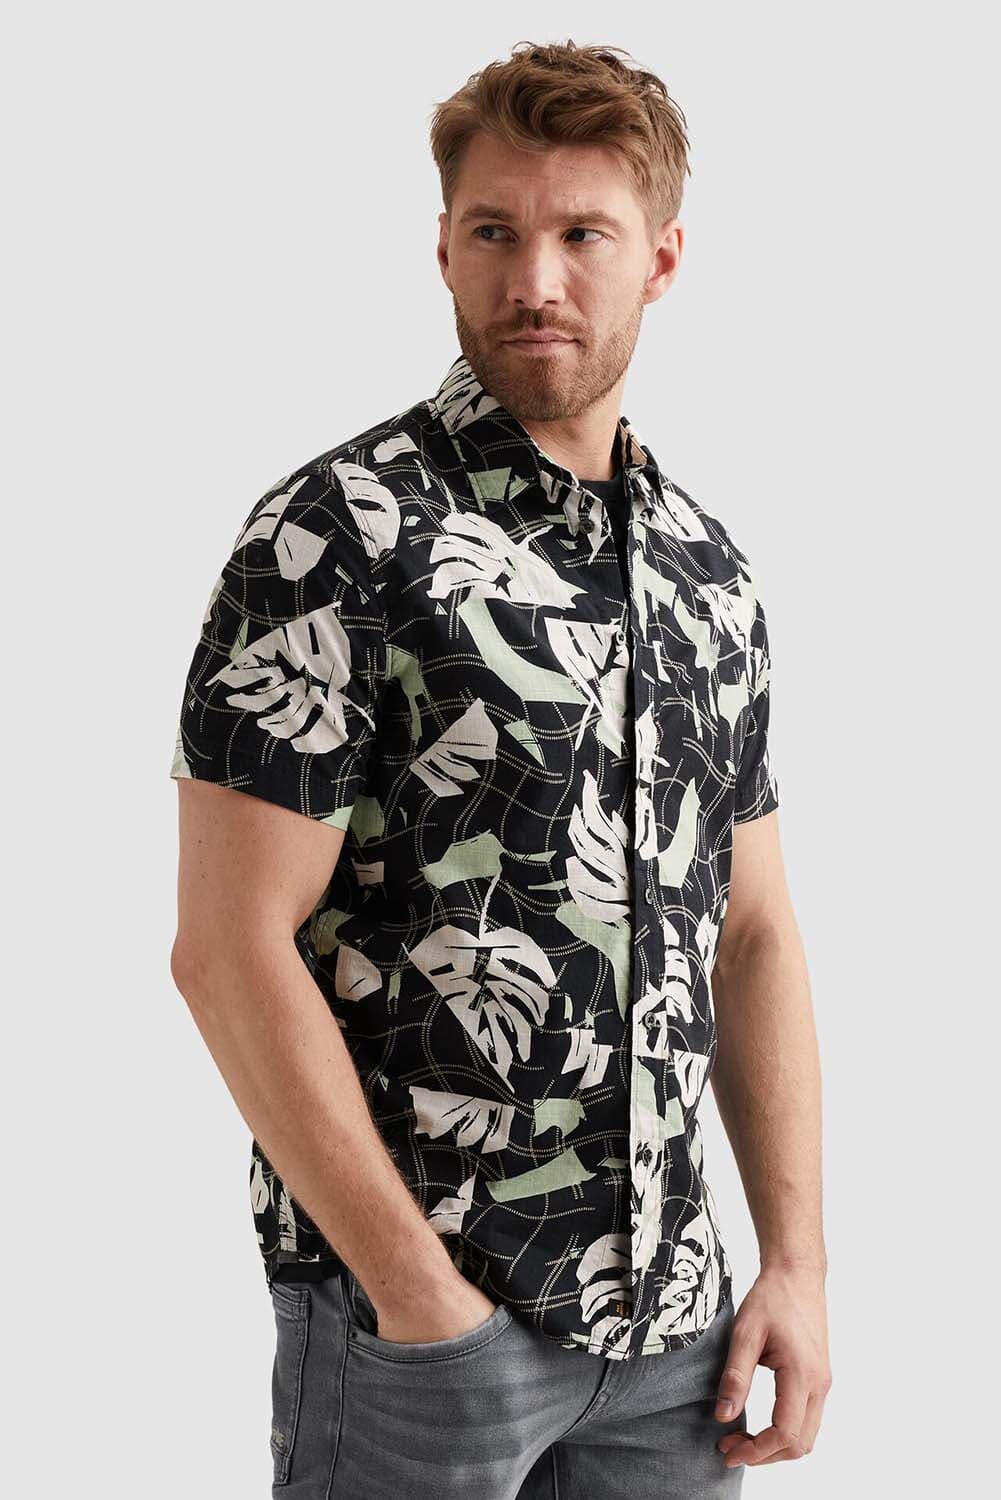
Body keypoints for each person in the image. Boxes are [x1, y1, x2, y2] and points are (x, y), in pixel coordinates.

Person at [169, 38, 830, 1499]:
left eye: (582, 234)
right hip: (424, 1328)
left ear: (659, 260)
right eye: (494, 233)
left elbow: (755, 932)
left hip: (679, 1338)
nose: (535, 280)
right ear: (443, 250)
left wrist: (793, 1264)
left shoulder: (708, 573)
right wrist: (419, 1299)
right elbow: (226, 946)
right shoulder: (336, 534)